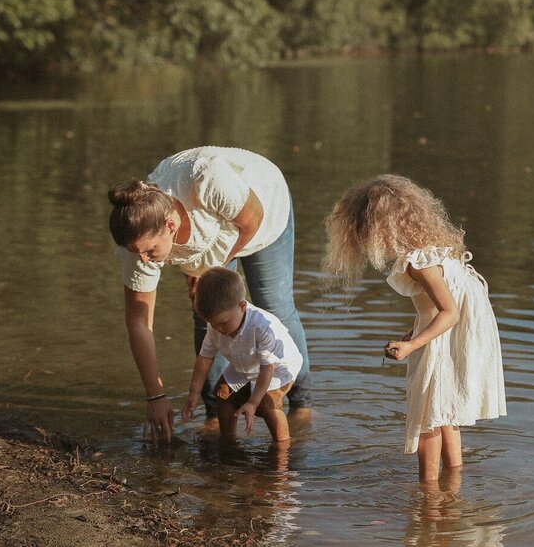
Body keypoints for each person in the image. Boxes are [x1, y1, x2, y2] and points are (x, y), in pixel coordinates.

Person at [108, 146, 312, 443]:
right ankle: (215, 412)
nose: (144, 261)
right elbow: (139, 323)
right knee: (208, 314)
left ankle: (303, 403)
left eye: (151, 251)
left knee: (274, 307)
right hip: (215, 238)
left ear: (170, 225)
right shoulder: (137, 243)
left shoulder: (204, 178)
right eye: (137, 254)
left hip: (261, 213)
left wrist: (212, 272)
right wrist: (156, 396)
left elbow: (251, 220)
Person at [322, 174, 506, 481]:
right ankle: (454, 481)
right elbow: (438, 304)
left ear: (380, 228)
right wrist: (416, 331)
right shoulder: (435, 248)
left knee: (427, 417)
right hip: (463, 332)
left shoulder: (418, 262)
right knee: (445, 411)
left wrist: (412, 345)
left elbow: (449, 312)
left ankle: (429, 496)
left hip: (453, 330)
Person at [183, 267, 302, 443]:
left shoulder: (262, 327)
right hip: (246, 362)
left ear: (242, 306)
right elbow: (204, 359)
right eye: (212, 323)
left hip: (278, 367)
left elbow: (267, 368)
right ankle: (228, 441)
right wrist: (193, 394)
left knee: (268, 402)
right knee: (222, 393)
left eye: (223, 322)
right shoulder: (215, 325)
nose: (219, 329)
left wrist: (253, 403)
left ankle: (282, 445)